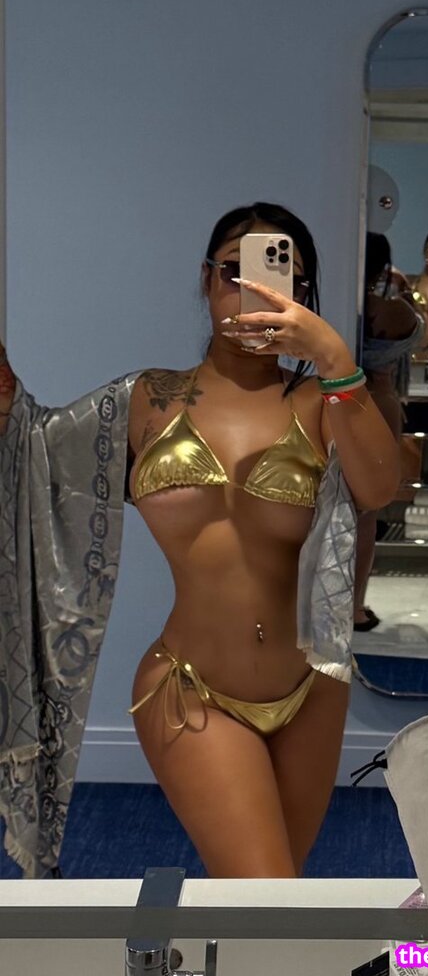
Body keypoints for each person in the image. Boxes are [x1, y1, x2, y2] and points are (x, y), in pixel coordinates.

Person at [0, 202, 400, 879]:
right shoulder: (144, 402)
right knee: (265, 893)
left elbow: (378, 487)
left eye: (283, 277)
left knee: (272, 899)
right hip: (190, 688)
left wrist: (334, 355)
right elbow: (31, 453)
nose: (254, 292)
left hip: (312, 689)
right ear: (207, 277)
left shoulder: (322, 403)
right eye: (236, 272)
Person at [353, 232, 426, 632]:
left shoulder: (332, 305)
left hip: (331, 404)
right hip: (378, 403)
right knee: (367, 514)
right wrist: (401, 288)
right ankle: (355, 606)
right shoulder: (390, 310)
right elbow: (419, 328)